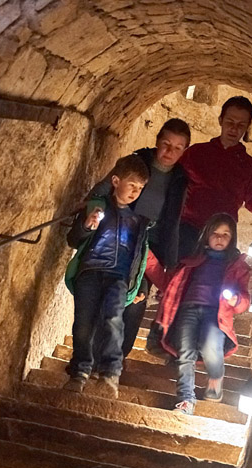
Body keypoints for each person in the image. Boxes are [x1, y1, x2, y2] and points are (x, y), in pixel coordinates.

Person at [87, 118, 192, 357]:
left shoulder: (180, 180)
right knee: (108, 295)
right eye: (166, 143)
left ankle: (117, 359)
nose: (169, 152)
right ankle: (92, 356)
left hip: (149, 249)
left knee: (136, 302)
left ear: (184, 151)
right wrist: (92, 208)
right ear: (157, 141)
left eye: (177, 148)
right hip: (119, 238)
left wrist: (171, 267)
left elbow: (173, 223)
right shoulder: (137, 161)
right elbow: (103, 188)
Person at [62, 154, 151, 399]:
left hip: (119, 277)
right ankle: (79, 372)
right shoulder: (97, 206)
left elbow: (140, 257)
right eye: (131, 185)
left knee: (113, 319)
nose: (135, 192)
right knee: (83, 323)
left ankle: (110, 371)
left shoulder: (138, 221)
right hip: (90, 271)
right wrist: (86, 225)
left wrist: (140, 282)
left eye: (140, 188)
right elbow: (73, 240)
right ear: (115, 181)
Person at [146, 213, 250, 415]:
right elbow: (166, 281)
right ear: (206, 236)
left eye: (225, 234)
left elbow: (244, 300)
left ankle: (215, 377)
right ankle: (186, 400)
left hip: (216, 315)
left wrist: (235, 300)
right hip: (188, 310)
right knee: (186, 354)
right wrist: (146, 254)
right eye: (215, 233)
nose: (219, 238)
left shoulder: (238, 267)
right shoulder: (191, 262)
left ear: (232, 239)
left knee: (211, 347)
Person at [177, 96, 252, 258]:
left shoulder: (249, 166)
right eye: (230, 122)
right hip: (188, 230)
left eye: (241, 125)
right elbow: (173, 184)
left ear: (247, 127)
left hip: (223, 238)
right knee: (178, 280)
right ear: (220, 120)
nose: (234, 129)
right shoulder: (196, 153)